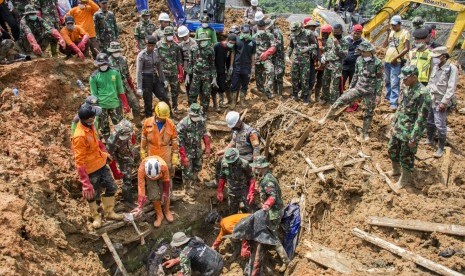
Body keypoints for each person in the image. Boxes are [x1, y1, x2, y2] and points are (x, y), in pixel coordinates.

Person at [72, 104, 124, 229]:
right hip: (90, 170)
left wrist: (105, 153)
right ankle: (96, 216)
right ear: (86, 119)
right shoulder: (79, 136)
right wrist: (85, 182)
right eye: (92, 118)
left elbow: (98, 142)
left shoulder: (91, 127)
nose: (94, 119)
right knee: (92, 195)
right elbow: (79, 161)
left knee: (111, 187)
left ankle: (109, 212)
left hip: (100, 164)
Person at [329, 41, 383, 141]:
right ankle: (327, 117)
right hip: (358, 88)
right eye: (360, 51)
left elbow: (380, 79)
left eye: (363, 51)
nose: (361, 53)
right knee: (341, 99)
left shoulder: (378, 63)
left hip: (370, 92)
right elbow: (356, 75)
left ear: (369, 51)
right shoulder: (359, 60)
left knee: (368, 112)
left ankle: (365, 132)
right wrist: (350, 87)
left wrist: (379, 95)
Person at [389, 65, 431, 188]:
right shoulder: (406, 88)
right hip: (399, 127)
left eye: (406, 78)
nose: (403, 80)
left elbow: (421, 118)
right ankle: (395, 170)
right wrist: (393, 124)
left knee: (406, 156)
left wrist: (414, 137)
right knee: (392, 149)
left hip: (410, 130)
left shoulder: (423, 94)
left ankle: (404, 179)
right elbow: (400, 108)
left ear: (414, 77)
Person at [249, 156, 290, 264]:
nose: (256, 170)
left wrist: (266, 205)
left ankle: (286, 261)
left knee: (273, 236)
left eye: (257, 168)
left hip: (274, 212)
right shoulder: (266, 177)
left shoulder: (267, 180)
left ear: (262, 167)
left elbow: (272, 196)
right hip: (274, 210)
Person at [425, 46, 458, 158]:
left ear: (443, 56)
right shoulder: (435, 66)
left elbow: (451, 87)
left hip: (441, 100)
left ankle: (440, 148)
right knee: (429, 121)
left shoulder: (451, 69)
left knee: (440, 124)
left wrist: (444, 102)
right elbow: (430, 82)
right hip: (432, 98)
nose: (434, 59)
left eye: (436, 57)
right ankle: (429, 139)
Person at [89, 53, 131, 141]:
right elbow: (94, 94)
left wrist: (125, 104)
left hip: (115, 104)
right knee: (104, 128)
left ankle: (121, 144)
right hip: (102, 106)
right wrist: (95, 108)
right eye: (101, 64)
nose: (103, 66)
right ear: (98, 64)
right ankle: (108, 144)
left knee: (120, 126)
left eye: (104, 64)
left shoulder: (115, 73)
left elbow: (120, 88)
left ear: (107, 63)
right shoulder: (93, 77)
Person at [140, 101, 179, 185]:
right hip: (152, 153)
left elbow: (174, 140)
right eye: (162, 117)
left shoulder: (170, 124)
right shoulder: (147, 122)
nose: (163, 119)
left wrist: (175, 154)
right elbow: (143, 138)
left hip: (165, 154)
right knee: (151, 176)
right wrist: (143, 151)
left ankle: (167, 196)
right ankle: (154, 197)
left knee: (166, 176)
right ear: (156, 113)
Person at [177, 103, 211, 195]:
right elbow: (180, 143)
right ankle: (187, 188)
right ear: (189, 114)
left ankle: (193, 183)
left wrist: (207, 147)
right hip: (187, 151)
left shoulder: (201, 121)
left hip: (197, 150)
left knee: (197, 167)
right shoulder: (182, 125)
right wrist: (184, 157)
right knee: (187, 170)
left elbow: (205, 134)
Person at [107, 41, 142, 127]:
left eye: (118, 51)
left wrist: (131, 86)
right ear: (111, 52)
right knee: (118, 110)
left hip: (125, 85)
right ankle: (121, 127)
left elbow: (127, 74)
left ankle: (137, 121)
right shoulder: (107, 63)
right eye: (115, 52)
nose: (117, 53)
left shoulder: (123, 59)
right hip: (115, 89)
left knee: (136, 104)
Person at [132, 156, 173, 227]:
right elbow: (141, 186)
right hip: (149, 177)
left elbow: (166, 180)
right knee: (153, 194)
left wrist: (165, 193)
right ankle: (159, 214)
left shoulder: (163, 165)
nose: (155, 178)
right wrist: (140, 205)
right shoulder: (141, 170)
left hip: (162, 175)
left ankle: (167, 210)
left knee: (166, 192)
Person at [136, 35, 170, 118]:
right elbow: (138, 72)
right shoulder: (142, 55)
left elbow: (159, 68)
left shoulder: (156, 53)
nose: (150, 47)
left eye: (152, 46)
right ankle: (149, 118)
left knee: (164, 96)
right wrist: (139, 87)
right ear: (146, 45)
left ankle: (168, 115)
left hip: (155, 78)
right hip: (146, 78)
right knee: (148, 100)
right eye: (148, 46)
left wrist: (163, 80)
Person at [286, 21, 318, 104]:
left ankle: (305, 97)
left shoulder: (308, 33)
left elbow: (315, 45)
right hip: (295, 59)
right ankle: (295, 94)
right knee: (294, 78)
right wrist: (287, 56)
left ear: (300, 28)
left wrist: (307, 49)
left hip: (305, 59)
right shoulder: (293, 34)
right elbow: (291, 46)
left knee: (304, 79)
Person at [106, 119, 138, 202]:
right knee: (126, 180)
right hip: (122, 158)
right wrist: (115, 172)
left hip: (130, 152)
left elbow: (132, 140)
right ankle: (128, 199)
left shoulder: (130, 129)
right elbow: (110, 158)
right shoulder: (111, 141)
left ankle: (134, 187)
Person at [217, 148, 256, 215]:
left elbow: (251, 178)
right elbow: (222, 177)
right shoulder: (224, 163)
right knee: (232, 213)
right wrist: (220, 191)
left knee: (251, 211)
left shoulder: (244, 164)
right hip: (231, 192)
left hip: (244, 191)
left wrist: (251, 192)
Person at [383, 15, 410, 110]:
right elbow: (384, 45)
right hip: (387, 60)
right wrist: (387, 34)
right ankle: (387, 98)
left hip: (396, 62)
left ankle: (393, 102)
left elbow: (407, 48)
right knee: (387, 80)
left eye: (394, 25)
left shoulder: (405, 33)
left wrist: (395, 58)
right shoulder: (392, 33)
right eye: (392, 25)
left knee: (395, 82)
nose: (393, 27)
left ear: (399, 24)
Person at [157, 26, 184, 113]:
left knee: (175, 91)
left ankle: (175, 107)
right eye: (168, 35)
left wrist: (180, 73)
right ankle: (166, 109)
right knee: (164, 92)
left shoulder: (176, 46)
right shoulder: (159, 45)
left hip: (173, 72)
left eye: (171, 34)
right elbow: (156, 60)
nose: (170, 36)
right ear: (164, 35)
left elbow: (179, 61)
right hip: (163, 73)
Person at [188, 32, 216, 115]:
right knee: (193, 93)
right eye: (202, 41)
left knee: (206, 94)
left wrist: (214, 77)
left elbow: (212, 64)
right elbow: (190, 62)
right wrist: (188, 75)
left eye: (205, 40)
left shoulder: (210, 50)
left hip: (206, 75)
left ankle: (204, 112)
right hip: (196, 75)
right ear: (198, 41)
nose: (204, 42)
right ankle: (192, 111)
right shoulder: (193, 49)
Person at [321, 23, 349, 104]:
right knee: (325, 82)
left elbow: (344, 55)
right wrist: (324, 56)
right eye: (334, 32)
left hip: (337, 65)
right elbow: (326, 50)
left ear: (341, 32)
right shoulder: (330, 40)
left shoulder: (344, 42)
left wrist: (337, 45)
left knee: (334, 85)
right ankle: (325, 99)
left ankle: (333, 102)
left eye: (338, 32)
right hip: (328, 64)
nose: (336, 34)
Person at [230, 24, 256, 109]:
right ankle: (233, 102)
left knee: (245, 85)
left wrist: (253, 67)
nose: (246, 33)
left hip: (247, 67)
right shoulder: (237, 40)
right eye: (244, 32)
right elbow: (233, 53)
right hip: (237, 67)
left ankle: (242, 101)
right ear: (241, 32)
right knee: (234, 85)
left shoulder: (252, 42)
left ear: (250, 32)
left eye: (247, 32)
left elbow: (253, 55)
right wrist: (231, 66)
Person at [254, 18, 276, 99]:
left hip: (266, 58)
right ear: (257, 27)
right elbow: (251, 49)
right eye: (259, 27)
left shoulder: (269, 35)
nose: (260, 28)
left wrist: (266, 53)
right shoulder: (254, 36)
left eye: (261, 27)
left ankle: (268, 90)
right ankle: (261, 92)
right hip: (257, 59)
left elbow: (274, 47)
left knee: (271, 71)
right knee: (258, 76)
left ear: (264, 27)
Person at [213, 34, 236, 111]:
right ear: (227, 40)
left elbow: (232, 54)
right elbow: (211, 58)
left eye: (233, 43)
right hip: (214, 70)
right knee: (214, 88)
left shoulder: (229, 48)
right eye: (230, 42)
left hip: (222, 70)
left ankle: (221, 102)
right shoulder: (217, 46)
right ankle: (215, 104)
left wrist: (231, 66)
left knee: (222, 87)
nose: (231, 44)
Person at [342, 24, 364, 90]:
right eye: (355, 33)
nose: (356, 35)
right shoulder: (345, 39)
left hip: (355, 67)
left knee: (353, 85)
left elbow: (371, 51)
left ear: (361, 33)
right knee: (341, 83)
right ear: (352, 32)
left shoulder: (363, 42)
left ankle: (351, 99)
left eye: (358, 34)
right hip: (344, 65)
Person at [268, 17, 285, 100]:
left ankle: (280, 94)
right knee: (273, 75)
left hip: (279, 57)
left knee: (279, 75)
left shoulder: (277, 32)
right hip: (273, 57)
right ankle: (275, 93)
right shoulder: (270, 32)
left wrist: (270, 50)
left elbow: (277, 44)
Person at [177, 25, 196, 95]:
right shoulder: (180, 45)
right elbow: (180, 58)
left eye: (185, 36)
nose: (184, 38)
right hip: (186, 67)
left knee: (194, 85)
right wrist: (181, 71)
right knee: (187, 84)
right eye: (182, 37)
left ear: (188, 34)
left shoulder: (194, 43)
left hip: (194, 66)